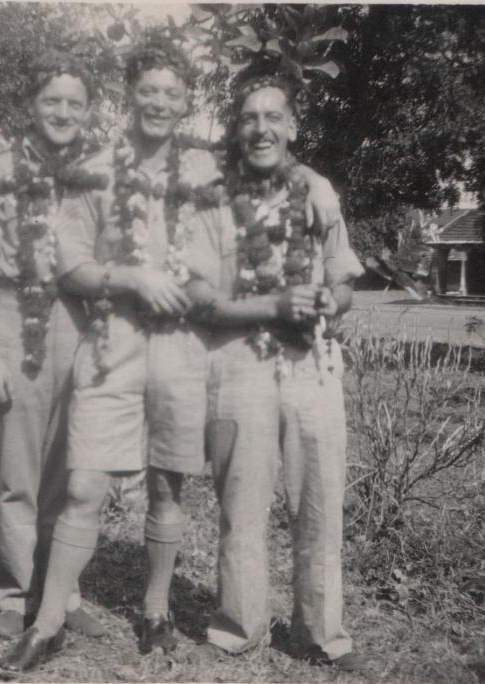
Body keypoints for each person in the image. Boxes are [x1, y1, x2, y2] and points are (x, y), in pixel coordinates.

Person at [0, 36, 227, 672]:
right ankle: (45, 624)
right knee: (85, 483)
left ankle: (156, 612)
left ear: (186, 102)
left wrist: (195, 288)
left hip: (182, 346)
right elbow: (67, 262)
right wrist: (129, 279)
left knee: (167, 483)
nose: (158, 102)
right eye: (147, 89)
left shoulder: (208, 174)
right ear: (129, 94)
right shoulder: (95, 166)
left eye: (171, 93)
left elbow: (224, 261)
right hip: (111, 342)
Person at [183, 72, 372, 673]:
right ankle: (239, 628)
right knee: (242, 504)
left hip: (311, 362)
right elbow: (200, 300)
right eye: (248, 118)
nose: (261, 129)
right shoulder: (212, 198)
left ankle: (320, 634)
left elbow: (344, 279)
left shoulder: (319, 192)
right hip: (238, 363)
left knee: (319, 501)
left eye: (273, 118)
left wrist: (327, 300)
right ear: (235, 130)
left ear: (292, 126)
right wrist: (273, 306)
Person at [0, 51, 108, 641]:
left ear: (89, 111)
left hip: (77, 321)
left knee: (67, 468)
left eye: (75, 103)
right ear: (31, 105)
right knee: (17, 470)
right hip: (10, 315)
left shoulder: (100, 172)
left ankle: (62, 592)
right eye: (52, 100)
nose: (63, 112)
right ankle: (15, 594)